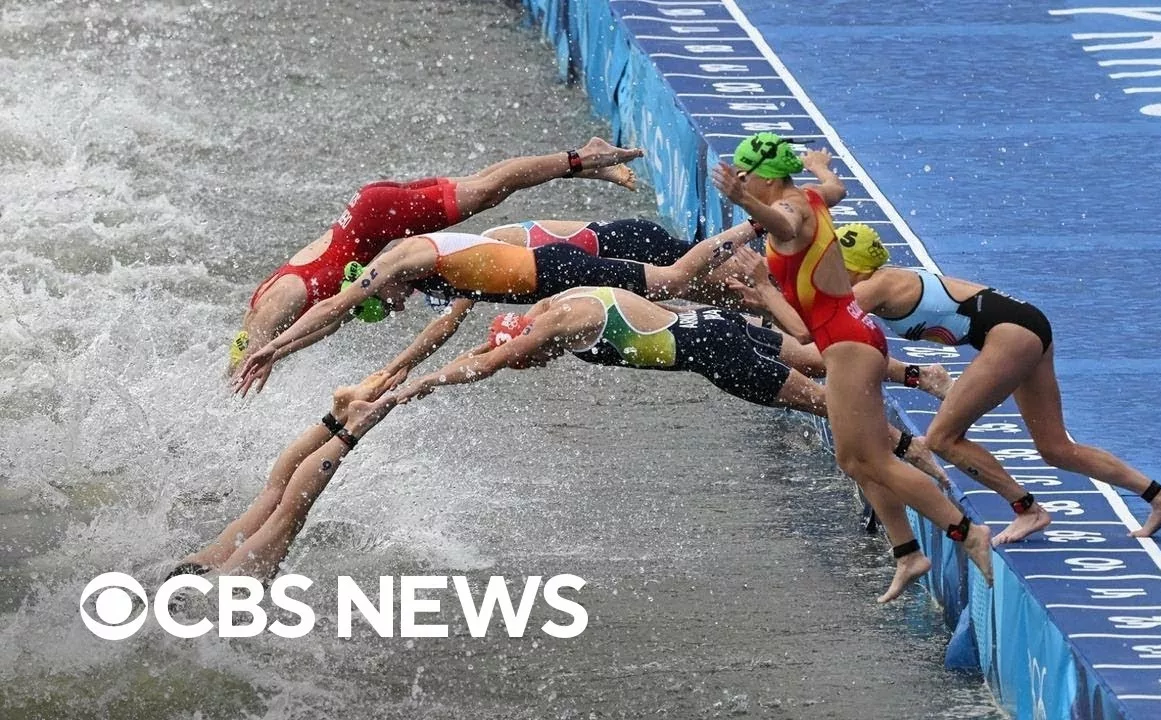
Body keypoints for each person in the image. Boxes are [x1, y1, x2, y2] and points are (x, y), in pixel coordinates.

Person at [394, 287, 947, 602]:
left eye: (530, 359)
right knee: (822, 356)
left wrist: (418, 386)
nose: (536, 364)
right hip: (718, 325)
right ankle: (920, 375)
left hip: (716, 357)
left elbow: (489, 363)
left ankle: (910, 449)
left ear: (530, 341)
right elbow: (490, 353)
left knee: (831, 405)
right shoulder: (552, 307)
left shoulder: (552, 329)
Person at [712, 133, 993, 588]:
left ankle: (967, 532)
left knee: (874, 461)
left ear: (761, 177)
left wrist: (764, 286)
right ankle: (907, 554)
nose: (743, 184)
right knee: (858, 460)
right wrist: (821, 166)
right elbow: (837, 191)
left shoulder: (789, 208)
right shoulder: (811, 195)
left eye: (745, 177)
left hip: (845, 344)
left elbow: (800, 321)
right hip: (851, 336)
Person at [833, 222, 1161, 541]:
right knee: (1055, 448)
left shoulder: (874, 286)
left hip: (1009, 335)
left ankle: (1028, 509)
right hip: (1025, 324)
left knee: (942, 439)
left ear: (852, 267)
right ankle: (1160, 497)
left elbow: (821, 329)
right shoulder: (883, 278)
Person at [229, 137, 644, 371]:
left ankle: (582, 157)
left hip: (378, 215)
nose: (398, 307)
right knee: (485, 185)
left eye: (386, 305)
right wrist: (274, 354)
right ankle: (589, 164)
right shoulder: (292, 315)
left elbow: (298, 321)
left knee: (486, 191)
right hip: (374, 213)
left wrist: (262, 355)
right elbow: (326, 325)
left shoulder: (286, 299)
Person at [233, 219, 764, 394]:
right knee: (692, 290)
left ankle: (754, 228)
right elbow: (441, 330)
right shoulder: (431, 272)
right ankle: (765, 298)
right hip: (551, 280)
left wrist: (274, 348)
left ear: (376, 280)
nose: (394, 309)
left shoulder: (402, 262)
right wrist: (397, 369)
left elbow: (338, 307)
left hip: (560, 270)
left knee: (674, 278)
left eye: (385, 304)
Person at [171, 376, 399, 581]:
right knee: (274, 500)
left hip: (200, 598)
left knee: (284, 514)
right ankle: (337, 420)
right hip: (189, 586)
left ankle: (347, 424)